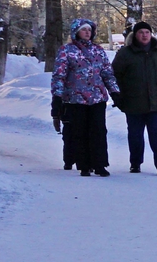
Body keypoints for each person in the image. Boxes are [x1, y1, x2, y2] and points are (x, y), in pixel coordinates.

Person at [110, 20, 157, 175]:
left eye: (147, 32)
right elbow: (114, 76)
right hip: (133, 102)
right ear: (135, 35)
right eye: (141, 33)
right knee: (135, 135)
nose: (144, 35)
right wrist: (117, 96)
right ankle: (135, 163)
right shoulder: (125, 53)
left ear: (151, 35)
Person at [50, 18, 120, 177]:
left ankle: (100, 164)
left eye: (89, 29)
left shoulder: (98, 50)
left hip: (97, 98)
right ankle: (84, 165)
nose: (87, 32)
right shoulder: (66, 51)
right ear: (76, 32)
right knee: (79, 132)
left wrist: (115, 92)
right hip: (76, 99)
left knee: (99, 131)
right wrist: (57, 97)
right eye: (84, 29)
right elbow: (59, 76)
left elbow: (107, 74)